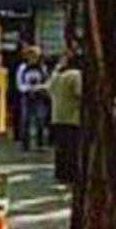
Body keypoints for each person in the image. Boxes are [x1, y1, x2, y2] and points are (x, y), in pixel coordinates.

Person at [46, 52, 83, 183]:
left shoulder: (56, 76)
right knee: (72, 148)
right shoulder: (75, 75)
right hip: (73, 116)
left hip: (57, 115)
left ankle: (60, 173)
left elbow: (48, 89)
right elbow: (79, 93)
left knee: (60, 148)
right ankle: (71, 174)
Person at [17, 46, 51, 151]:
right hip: (26, 96)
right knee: (25, 120)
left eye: (36, 55)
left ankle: (40, 144)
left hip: (39, 96)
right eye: (31, 55)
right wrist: (28, 89)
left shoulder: (42, 68)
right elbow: (19, 83)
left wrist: (39, 88)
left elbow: (47, 82)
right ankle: (24, 144)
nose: (33, 58)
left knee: (40, 120)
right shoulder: (23, 68)